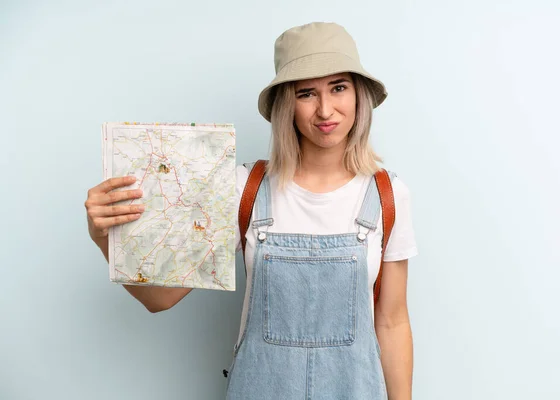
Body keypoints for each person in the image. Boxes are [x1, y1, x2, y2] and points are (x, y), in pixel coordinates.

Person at [85, 22, 418, 399]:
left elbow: (392, 323)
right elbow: (160, 300)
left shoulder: (387, 195)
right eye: (306, 93)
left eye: (338, 87)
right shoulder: (245, 189)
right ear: (285, 106)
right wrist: (105, 238)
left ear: (359, 95)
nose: (326, 109)